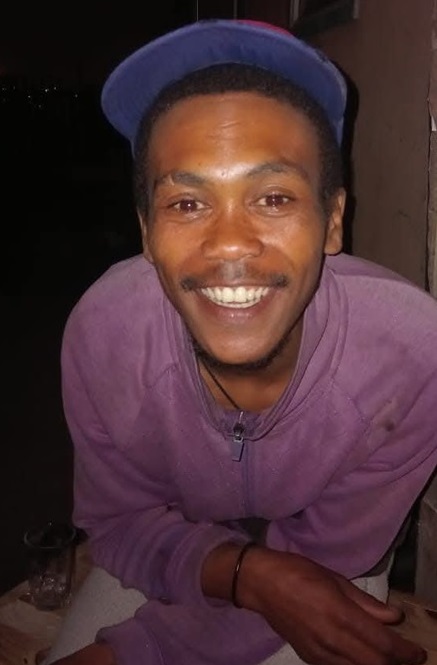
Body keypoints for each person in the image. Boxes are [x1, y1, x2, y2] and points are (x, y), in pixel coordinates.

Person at [46, 18, 437, 665]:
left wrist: (132, 652)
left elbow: (324, 560)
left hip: (327, 558)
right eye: (187, 204)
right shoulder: (105, 336)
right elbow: (119, 524)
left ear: (332, 221)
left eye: (274, 197)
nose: (229, 244)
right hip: (174, 543)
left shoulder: (410, 356)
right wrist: (244, 573)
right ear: (146, 233)